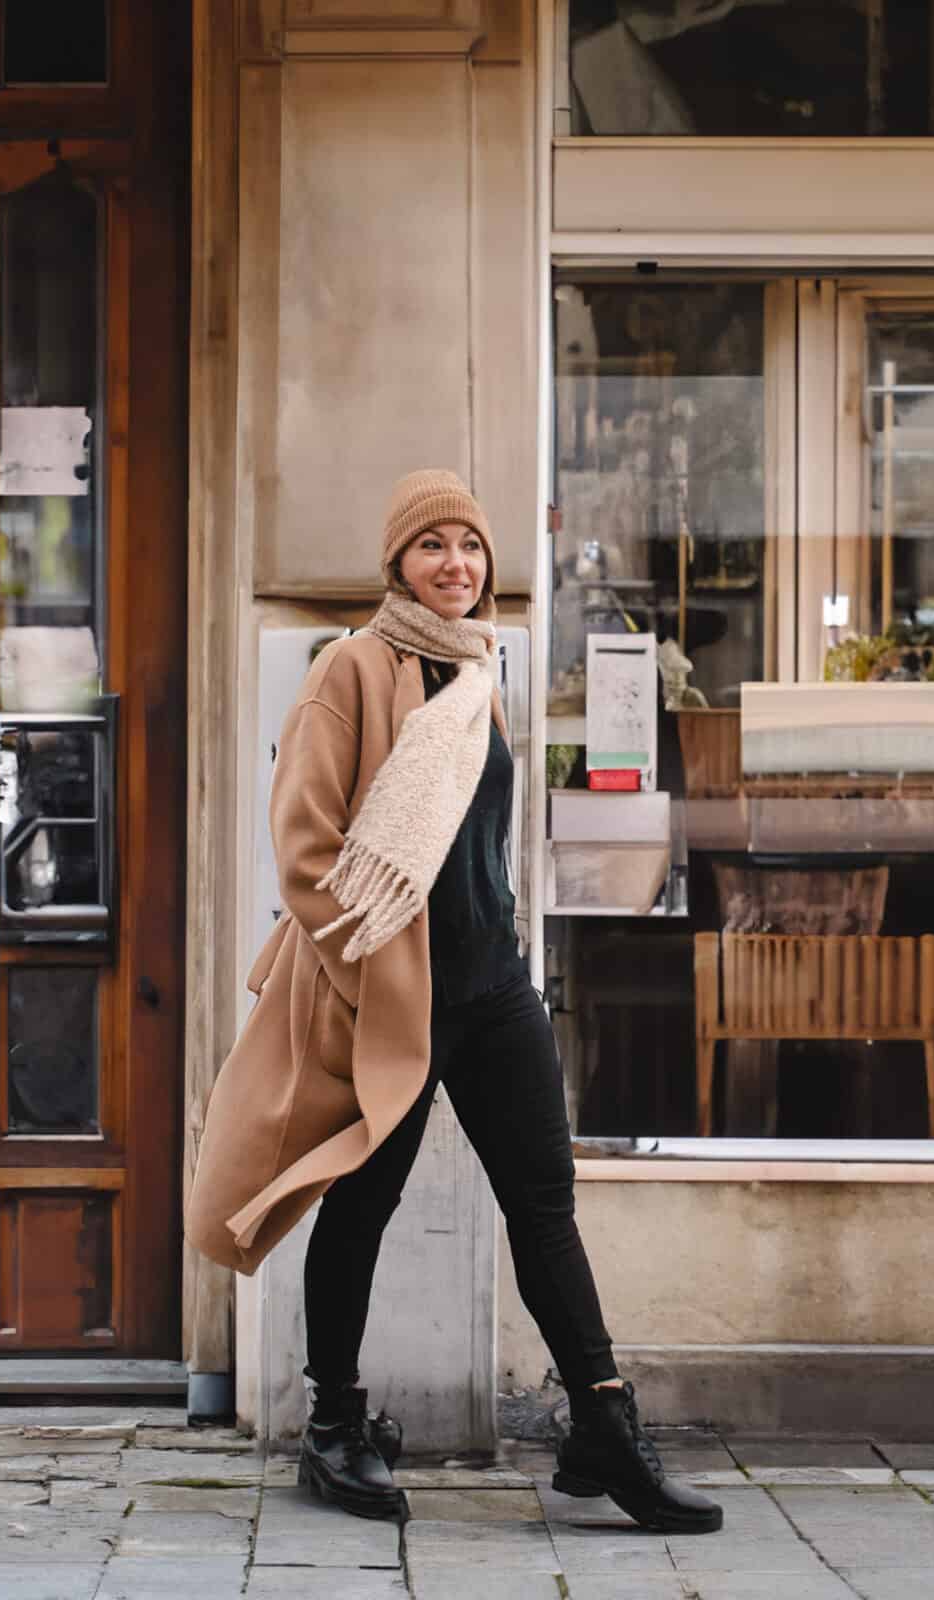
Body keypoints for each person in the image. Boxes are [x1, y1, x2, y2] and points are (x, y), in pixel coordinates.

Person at [186, 469, 722, 1537]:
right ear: (397, 563)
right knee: (363, 1202)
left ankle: (602, 1428)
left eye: (469, 546)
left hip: (490, 986)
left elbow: (478, 845)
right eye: (430, 545)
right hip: (394, 992)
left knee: (543, 1199)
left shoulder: (482, 674)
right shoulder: (350, 671)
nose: (455, 564)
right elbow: (305, 854)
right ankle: (332, 1427)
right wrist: (372, 971)